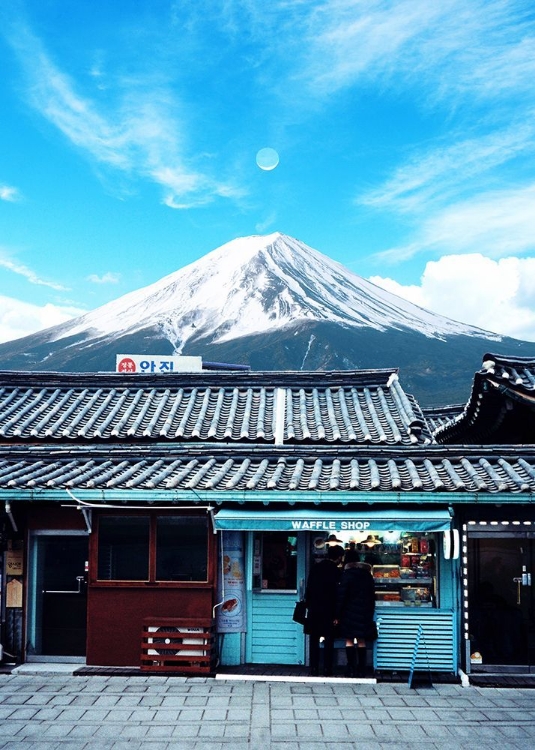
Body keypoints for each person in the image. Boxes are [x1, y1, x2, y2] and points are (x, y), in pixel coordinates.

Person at [304, 544, 344, 676]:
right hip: (329, 609)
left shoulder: (315, 568)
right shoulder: (337, 572)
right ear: (338, 557)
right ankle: (327, 668)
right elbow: (338, 594)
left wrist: (308, 605)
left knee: (314, 639)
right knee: (329, 640)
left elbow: (308, 589)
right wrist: (337, 614)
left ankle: (314, 668)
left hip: (315, 608)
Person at [335, 548, 376, 677]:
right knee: (362, 639)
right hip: (364, 611)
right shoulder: (367, 575)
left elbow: (341, 596)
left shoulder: (346, 575)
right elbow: (372, 595)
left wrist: (337, 614)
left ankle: (351, 668)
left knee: (349, 640)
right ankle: (362, 669)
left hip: (348, 612)